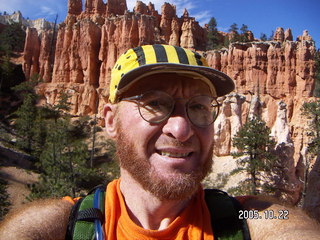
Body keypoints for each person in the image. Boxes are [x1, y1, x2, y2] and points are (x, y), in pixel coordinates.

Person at [0, 44, 319, 240]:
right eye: (153, 103)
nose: (181, 129)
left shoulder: (246, 220)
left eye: (198, 106)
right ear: (110, 121)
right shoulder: (65, 227)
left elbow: (282, 225)